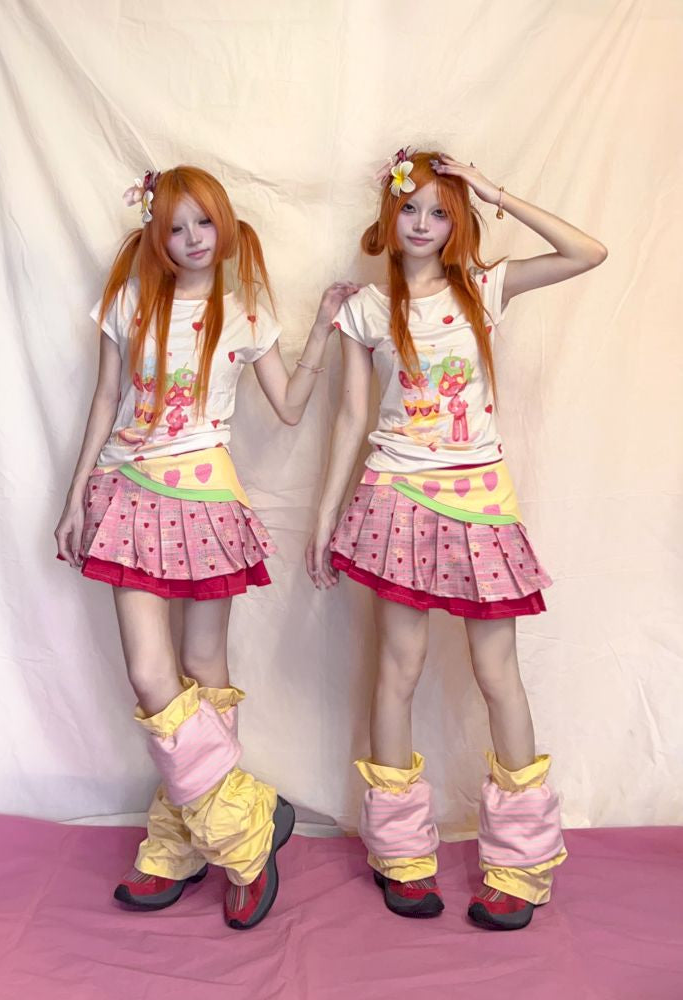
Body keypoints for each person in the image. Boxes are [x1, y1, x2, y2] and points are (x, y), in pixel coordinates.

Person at [306, 148, 607, 930]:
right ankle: (401, 854)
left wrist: (493, 191)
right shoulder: (365, 311)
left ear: (458, 222)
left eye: (441, 212)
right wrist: (325, 515)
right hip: (397, 497)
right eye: (411, 208)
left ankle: (521, 863)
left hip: (480, 500)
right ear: (389, 215)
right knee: (397, 670)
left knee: (497, 673)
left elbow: (588, 252)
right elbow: (350, 417)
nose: (423, 224)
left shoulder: (483, 287)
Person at [55, 164, 356, 929]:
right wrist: (76, 494)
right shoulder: (131, 300)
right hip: (129, 491)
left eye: (204, 223)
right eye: (176, 226)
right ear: (156, 233)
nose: (191, 238)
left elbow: (289, 407)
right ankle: (244, 824)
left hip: (208, 501)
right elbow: (105, 397)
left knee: (202, 669)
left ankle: (182, 839)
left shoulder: (245, 313)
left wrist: (322, 328)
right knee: (150, 675)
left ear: (223, 226)